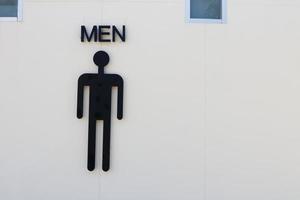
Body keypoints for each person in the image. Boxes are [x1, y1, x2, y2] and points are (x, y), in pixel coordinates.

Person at [77, 51, 124, 172]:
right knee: (100, 135)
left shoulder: (87, 77)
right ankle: (98, 164)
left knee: (97, 135)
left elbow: (81, 88)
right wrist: (119, 113)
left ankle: (99, 164)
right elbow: (81, 89)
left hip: (98, 109)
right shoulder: (113, 78)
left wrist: (80, 112)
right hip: (103, 109)